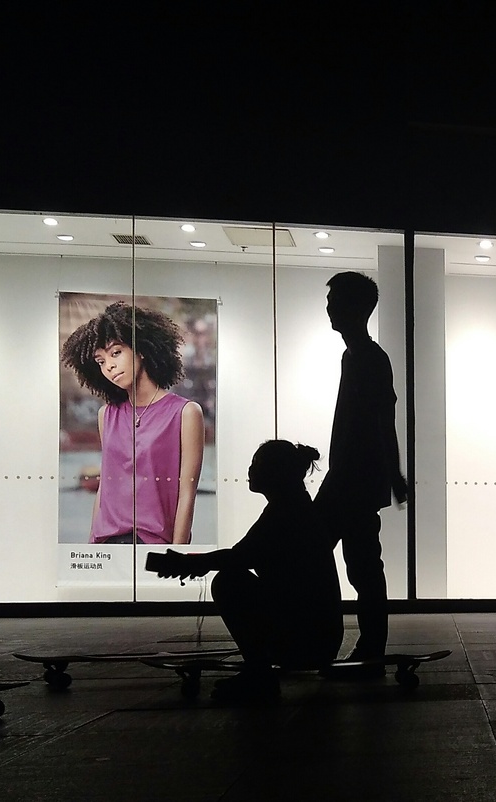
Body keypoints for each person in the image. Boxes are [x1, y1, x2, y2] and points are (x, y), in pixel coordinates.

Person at [153, 440, 343, 702]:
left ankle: (260, 676)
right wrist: (195, 563)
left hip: (305, 642)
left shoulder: (286, 511)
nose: (251, 469)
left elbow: (241, 556)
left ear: (277, 472)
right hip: (318, 639)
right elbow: (244, 554)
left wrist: (192, 564)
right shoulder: (294, 507)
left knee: (228, 583)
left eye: (258, 463)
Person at [314, 271, 407, 664]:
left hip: (353, 482)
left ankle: (366, 648)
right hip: (349, 480)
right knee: (354, 563)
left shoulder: (368, 358)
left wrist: (392, 475)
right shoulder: (355, 356)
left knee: (357, 565)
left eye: (335, 300)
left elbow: (382, 420)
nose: (329, 307)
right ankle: (361, 646)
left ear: (356, 308)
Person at [61, 301, 204, 545]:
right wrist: (91, 549)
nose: (109, 366)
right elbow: (105, 488)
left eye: (116, 353)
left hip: (155, 544)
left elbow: (187, 494)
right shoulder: (107, 415)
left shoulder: (185, 413)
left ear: (141, 350)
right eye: (100, 361)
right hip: (107, 544)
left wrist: (176, 555)